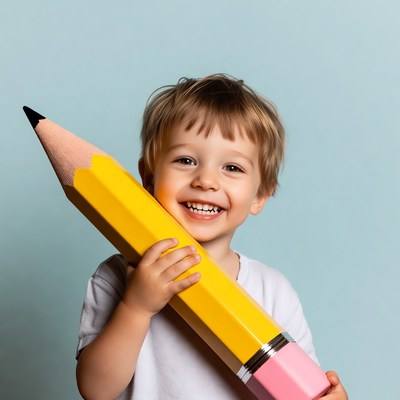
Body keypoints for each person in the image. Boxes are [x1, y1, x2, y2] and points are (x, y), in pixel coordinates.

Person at [75, 74, 348, 400]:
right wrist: (136, 308)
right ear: (148, 178)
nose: (206, 180)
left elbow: (301, 390)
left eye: (232, 168)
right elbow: (95, 390)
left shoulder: (272, 291)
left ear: (260, 195)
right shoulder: (118, 278)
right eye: (185, 160)